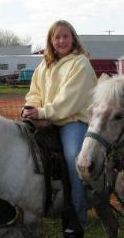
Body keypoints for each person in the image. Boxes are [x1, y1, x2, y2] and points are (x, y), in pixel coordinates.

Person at [22, 20, 97, 234]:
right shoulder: (44, 65)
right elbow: (34, 92)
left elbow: (69, 100)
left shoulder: (80, 63)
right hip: (45, 118)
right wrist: (31, 108)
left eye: (65, 36)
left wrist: (44, 113)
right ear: (51, 41)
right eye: (57, 37)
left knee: (74, 158)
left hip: (72, 120)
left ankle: (76, 218)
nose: (62, 41)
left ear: (73, 38)